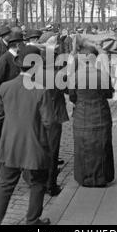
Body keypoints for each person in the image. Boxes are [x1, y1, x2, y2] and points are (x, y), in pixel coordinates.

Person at [0, 45, 55, 225]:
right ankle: (33, 221)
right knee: (38, 183)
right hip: (34, 145)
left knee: (5, 184)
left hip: (10, 144)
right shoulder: (42, 90)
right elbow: (49, 122)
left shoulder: (5, 87)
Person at [69, 44, 115, 187]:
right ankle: (102, 177)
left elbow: (72, 97)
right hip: (101, 114)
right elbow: (109, 94)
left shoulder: (74, 76)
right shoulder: (102, 75)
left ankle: (84, 177)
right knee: (102, 146)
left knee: (83, 147)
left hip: (82, 116)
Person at [38, 32, 69, 196]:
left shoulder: (36, 63)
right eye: (56, 43)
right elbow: (65, 87)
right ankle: (50, 184)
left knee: (40, 148)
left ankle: (36, 182)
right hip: (53, 112)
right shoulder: (54, 65)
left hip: (38, 114)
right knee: (52, 150)